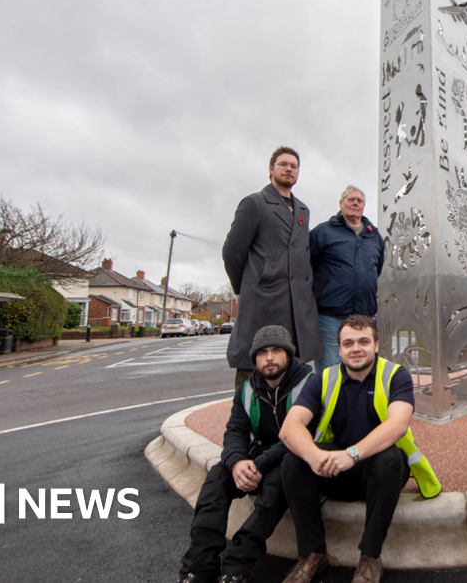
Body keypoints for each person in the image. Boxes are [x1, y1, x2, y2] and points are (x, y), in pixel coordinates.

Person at [278, 315, 441, 583]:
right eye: (348, 343)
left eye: (364, 341)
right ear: (339, 348)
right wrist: (315, 456)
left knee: (389, 458)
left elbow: (398, 424)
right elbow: (290, 426)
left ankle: (370, 557)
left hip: (380, 474)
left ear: (376, 345)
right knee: (293, 460)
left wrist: (351, 455)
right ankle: (313, 554)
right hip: (335, 470)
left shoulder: (395, 375)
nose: (356, 348)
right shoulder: (322, 378)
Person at [175, 325, 315, 583]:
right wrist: (237, 461)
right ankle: (199, 565)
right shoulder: (248, 388)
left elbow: (299, 437)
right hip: (257, 456)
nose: (269, 358)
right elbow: (235, 431)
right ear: (254, 358)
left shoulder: (309, 383)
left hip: (294, 457)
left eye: (276, 350)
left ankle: (235, 566)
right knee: (217, 477)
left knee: (275, 486)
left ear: (289, 354)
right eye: (262, 352)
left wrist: (260, 465)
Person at [222, 146, 322, 386]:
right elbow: (232, 253)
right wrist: (246, 287)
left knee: (294, 377)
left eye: (294, 166)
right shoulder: (254, 203)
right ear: (271, 169)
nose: (289, 169)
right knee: (255, 373)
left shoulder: (303, 210)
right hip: (263, 303)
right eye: (283, 164)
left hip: (297, 305)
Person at [309, 185, 384, 370]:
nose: (355, 203)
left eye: (359, 201)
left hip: (364, 318)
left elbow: (377, 269)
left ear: (364, 206)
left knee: (362, 369)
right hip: (330, 317)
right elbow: (307, 268)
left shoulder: (374, 236)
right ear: (341, 203)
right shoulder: (323, 232)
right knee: (330, 371)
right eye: (351, 199)